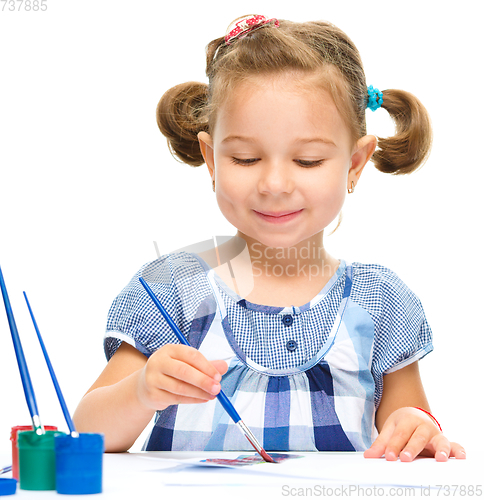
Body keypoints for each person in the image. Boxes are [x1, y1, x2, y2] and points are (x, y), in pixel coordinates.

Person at [73, 15, 465, 462]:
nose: (274, 183)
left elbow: (413, 432)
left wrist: (418, 428)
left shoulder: (380, 302)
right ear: (211, 158)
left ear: (355, 164)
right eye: (245, 158)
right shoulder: (173, 290)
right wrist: (142, 391)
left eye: (308, 160)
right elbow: (90, 433)